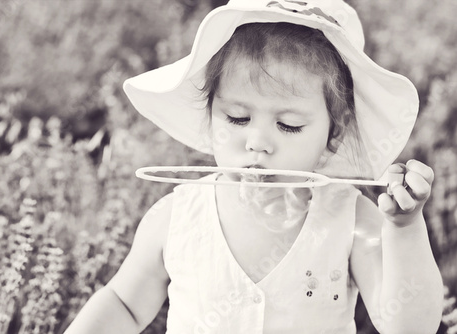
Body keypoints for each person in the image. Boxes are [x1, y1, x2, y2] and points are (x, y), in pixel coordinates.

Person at [65, 0, 443, 333]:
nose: (257, 142)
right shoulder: (177, 217)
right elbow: (124, 305)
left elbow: (409, 327)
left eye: (288, 125)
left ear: (335, 131)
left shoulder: (352, 219)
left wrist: (405, 229)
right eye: (237, 118)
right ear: (211, 114)